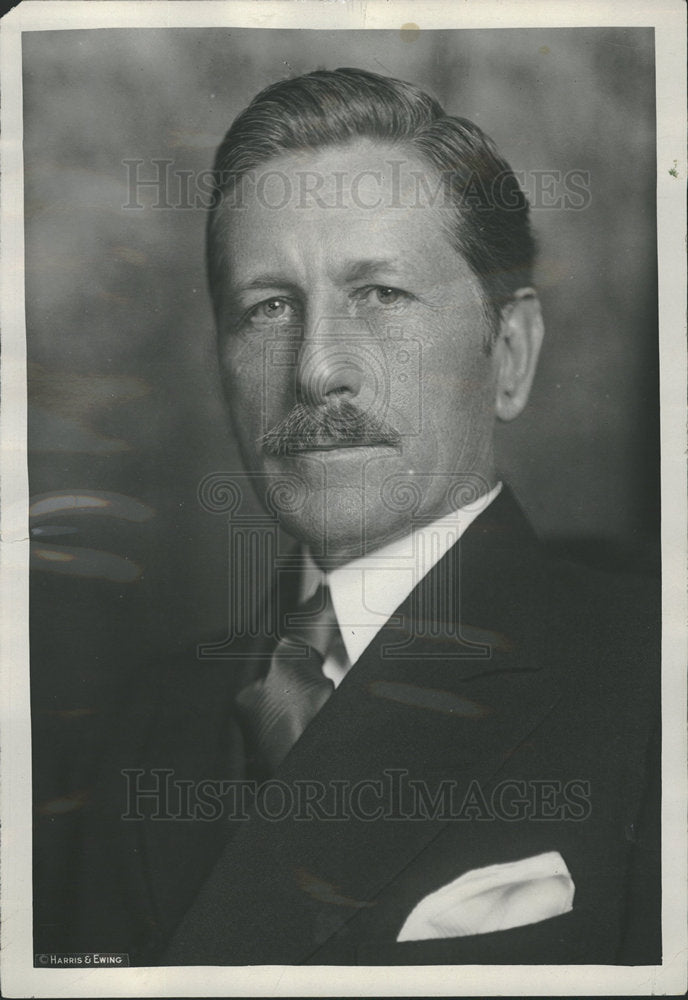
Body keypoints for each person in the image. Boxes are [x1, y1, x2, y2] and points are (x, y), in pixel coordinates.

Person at [58, 68, 660, 966]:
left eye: (379, 295)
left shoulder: (655, 681)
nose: (315, 371)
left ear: (510, 352)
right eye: (267, 308)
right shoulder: (152, 722)